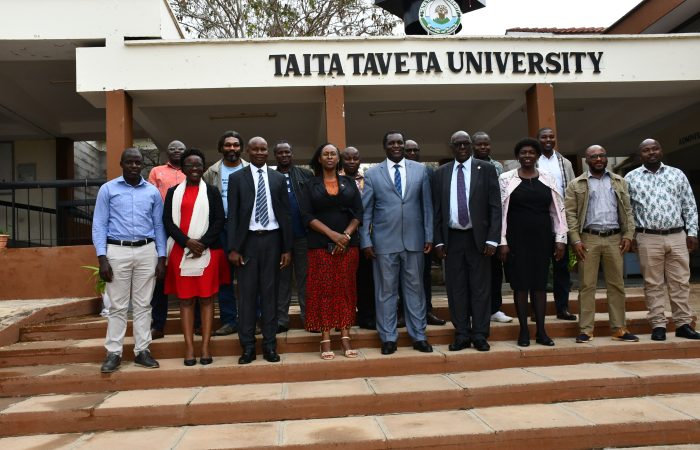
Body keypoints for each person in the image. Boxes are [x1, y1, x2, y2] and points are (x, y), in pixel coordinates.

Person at [92, 148, 166, 373]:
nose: (134, 166)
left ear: (142, 165)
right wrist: (102, 258)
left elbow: (159, 225)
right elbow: (99, 224)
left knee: (144, 304)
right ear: (121, 163)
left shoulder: (152, 192)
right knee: (117, 306)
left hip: (146, 250)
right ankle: (113, 353)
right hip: (117, 250)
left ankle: (142, 351)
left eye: (138, 163)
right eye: (130, 162)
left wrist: (161, 257)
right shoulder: (108, 189)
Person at [360, 131, 434, 355]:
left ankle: (419, 336)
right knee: (386, 292)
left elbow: (427, 207)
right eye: (391, 143)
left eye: (400, 142)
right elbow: (366, 212)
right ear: (385, 147)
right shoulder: (372, 174)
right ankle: (388, 338)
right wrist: (365, 241)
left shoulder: (421, 170)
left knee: (415, 291)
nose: (396, 146)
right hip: (383, 243)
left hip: (415, 241)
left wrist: (429, 235)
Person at [433, 131, 501, 352]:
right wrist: (439, 241)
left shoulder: (487, 169)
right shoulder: (441, 173)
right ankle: (461, 333)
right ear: (450, 147)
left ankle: (480, 334)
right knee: (457, 289)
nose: (462, 147)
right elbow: (438, 211)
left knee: (480, 289)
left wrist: (493, 239)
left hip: (478, 239)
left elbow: (494, 207)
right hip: (452, 239)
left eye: (465, 143)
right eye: (457, 144)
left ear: (471, 146)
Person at [625, 138, 699, 341]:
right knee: (653, 284)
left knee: (680, 282)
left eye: (655, 148)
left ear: (661, 150)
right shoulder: (631, 178)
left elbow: (689, 205)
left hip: (677, 236)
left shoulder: (677, 174)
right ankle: (658, 325)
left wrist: (692, 232)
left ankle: (683, 324)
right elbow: (627, 211)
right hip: (648, 237)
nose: (651, 152)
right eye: (646, 150)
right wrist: (630, 236)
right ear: (641, 155)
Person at [227, 137, 292, 364]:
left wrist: (287, 248)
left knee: (270, 296)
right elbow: (233, 216)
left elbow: (285, 214)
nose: (259, 152)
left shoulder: (277, 178)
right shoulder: (237, 178)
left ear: (268, 152)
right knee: (246, 296)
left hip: (273, 241)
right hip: (248, 243)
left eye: (263, 149)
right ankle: (247, 347)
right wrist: (234, 248)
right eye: (255, 149)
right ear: (248, 151)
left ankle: (270, 345)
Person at [565, 145, 638, 343]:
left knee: (617, 285)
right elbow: (570, 214)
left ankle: (619, 328)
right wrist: (575, 240)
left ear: (606, 158)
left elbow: (628, 211)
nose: (598, 159)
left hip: (615, 238)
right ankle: (586, 329)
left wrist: (629, 235)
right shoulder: (576, 184)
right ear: (586, 160)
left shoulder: (619, 181)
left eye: (601, 155)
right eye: (593, 156)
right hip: (588, 238)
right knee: (587, 285)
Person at [163, 149, 229, 366]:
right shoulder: (173, 192)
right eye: (190, 165)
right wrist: (187, 242)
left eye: (198, 165)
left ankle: (205, 347)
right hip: (181, 252)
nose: (194, 169)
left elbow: (219, 220)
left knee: (207, 299)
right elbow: (168, 222)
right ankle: (189, 348)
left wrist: (202, 243)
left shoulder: (211, 191)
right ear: (182, 168)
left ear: (203, 167)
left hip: (208, 252)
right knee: (186, 300)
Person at [499, 138, 567, 347]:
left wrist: (560, 239)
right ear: (517, 156)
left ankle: (541, 331)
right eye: (523, 153)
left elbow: (557, 211)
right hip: (515, 240)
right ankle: (523, 331)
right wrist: (502, 241)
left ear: (537, 156)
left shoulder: (548, 178)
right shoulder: (506, 178)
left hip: (542, 239)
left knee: (539, 286)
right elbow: (501, 213)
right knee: (520, 286)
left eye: (531, 152)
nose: (527, 156)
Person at [300, 143, 363, 359]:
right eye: (325, 154)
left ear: (339, 159)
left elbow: (358, 213)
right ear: (319, 159)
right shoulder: (310, 185)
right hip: (320, 246)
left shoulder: (349, 183)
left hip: (348, 246)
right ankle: (325, 338)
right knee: (324, 291)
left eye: (333, 154)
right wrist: (332, 235)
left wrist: (345, 236)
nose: (329, 157)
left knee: (345, 290)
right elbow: (306, 216)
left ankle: (345, 336)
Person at [203, 130, 249, 336]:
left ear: (241, 148)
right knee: (224, 278)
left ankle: (251, 319)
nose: (232, 148)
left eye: (236, 145)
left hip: (247, 228)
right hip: (221, 229)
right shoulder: (210, 173)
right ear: (221, 148)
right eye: (228, 145)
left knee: (250, 276)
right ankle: (229, 320)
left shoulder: (250, 169)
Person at [403, 139, 446, 327]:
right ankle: (402, 313)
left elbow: (432, 206)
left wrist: (431, 236)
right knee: (399, 277)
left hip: (422, 236)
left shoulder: (426, 171)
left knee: (423, 276)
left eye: (415, 150)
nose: (412, 153)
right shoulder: (390, 172)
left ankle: (427, 311)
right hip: (396, 236)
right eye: (408, 150)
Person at [471, 131, 513, 324]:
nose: (483, 147)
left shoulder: (497, 166)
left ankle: (495, 309)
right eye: (479, 144)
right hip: (473, 227)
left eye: (486, 144)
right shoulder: (466, 165)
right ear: (473, 146)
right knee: (475, 271)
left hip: (494, 224)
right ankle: (475, 310)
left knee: (495, 270)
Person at [536, 127, 577, 321]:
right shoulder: (532, 160)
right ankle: (538, 310)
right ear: (538, 140)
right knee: (539, 268)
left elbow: (571, 190)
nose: (548, 139)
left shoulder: (565, 163)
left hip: (561, 220)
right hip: (539, 220)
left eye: (551, 136)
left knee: (562, 269)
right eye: (544, 137)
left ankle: (563, 308)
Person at [147, 139, 186, 339]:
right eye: (172, 148)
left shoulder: (191, 170)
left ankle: (194, 323)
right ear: (167, 152)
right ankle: (158, 325)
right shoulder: (156, 172)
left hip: (188, 229)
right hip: (162, 228)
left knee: (189, 274)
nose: (176, 151)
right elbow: (150, 198)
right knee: (160, 275)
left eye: (180, 148)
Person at [274, 140, 313, 332]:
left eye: (287, 152)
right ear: (275, 156)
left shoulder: (305, 175)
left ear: (292, 153)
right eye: (280, 153)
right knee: (282, 282)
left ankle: (309, 319)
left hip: (303, 237)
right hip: (279, 240)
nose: (284, 156)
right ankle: (281, 320)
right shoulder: (270, 176)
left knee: (305, 279)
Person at [340, 146, 376, 330]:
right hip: (343, 237)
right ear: (341, 160)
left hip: (366, 237)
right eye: (348, 158)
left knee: (366, 280)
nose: (352, 161)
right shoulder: (335, 181)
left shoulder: (369, 180)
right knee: (344, 281)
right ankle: (343, 318)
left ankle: (366, 316)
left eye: (355, 158)